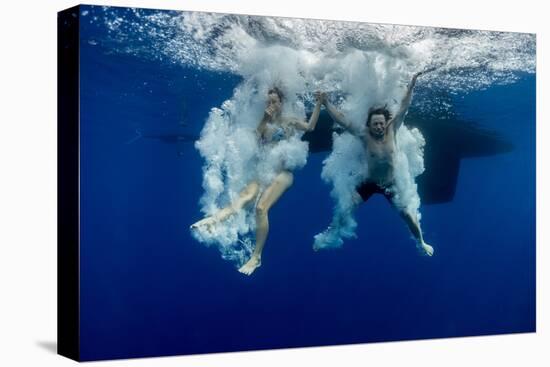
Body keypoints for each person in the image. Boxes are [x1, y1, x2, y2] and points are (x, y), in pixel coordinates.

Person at [191, 87, 323, 275]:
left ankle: (256, 257)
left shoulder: (289, 122)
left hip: (283, 174)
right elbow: (255, 138)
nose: (270, 105)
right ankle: (214, 219)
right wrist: (265, 119)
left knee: (261, 208)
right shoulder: (263, 123)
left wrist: (319, 103)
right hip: (263, 171)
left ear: (281, 103)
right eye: (268, 102)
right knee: (244, 196)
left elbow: (310, 127)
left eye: (274, 102)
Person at [316, 70, 434, 256]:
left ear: (386, 123)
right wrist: (325, 103)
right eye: (375, 124)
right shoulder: (364, 135)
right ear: (369, 125)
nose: (379, 127)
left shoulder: (392, 129)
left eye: (381, 123)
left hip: (391, 184)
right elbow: (342, 120)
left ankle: (422, 242)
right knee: (344, 209)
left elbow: (404, 106)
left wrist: (411, 85)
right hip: (369, 183)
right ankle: (329, 234)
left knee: (409, 217)